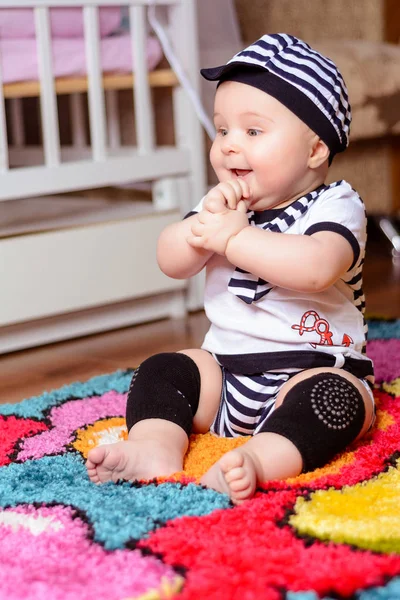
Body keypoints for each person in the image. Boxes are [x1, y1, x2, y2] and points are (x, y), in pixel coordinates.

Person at [86, 33, 375, 504]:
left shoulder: (336, 205)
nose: (228, 147)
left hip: (315, 366)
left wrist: (234, 239)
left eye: (252, 132)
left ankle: (261, 459)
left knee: (341, 403)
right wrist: (201, 228)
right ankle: (154, 448)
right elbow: (171, 261)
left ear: (315, 149)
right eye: (222, 130)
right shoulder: (221, 208)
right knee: (164, 370)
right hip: (225, 375)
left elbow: (316, 268)